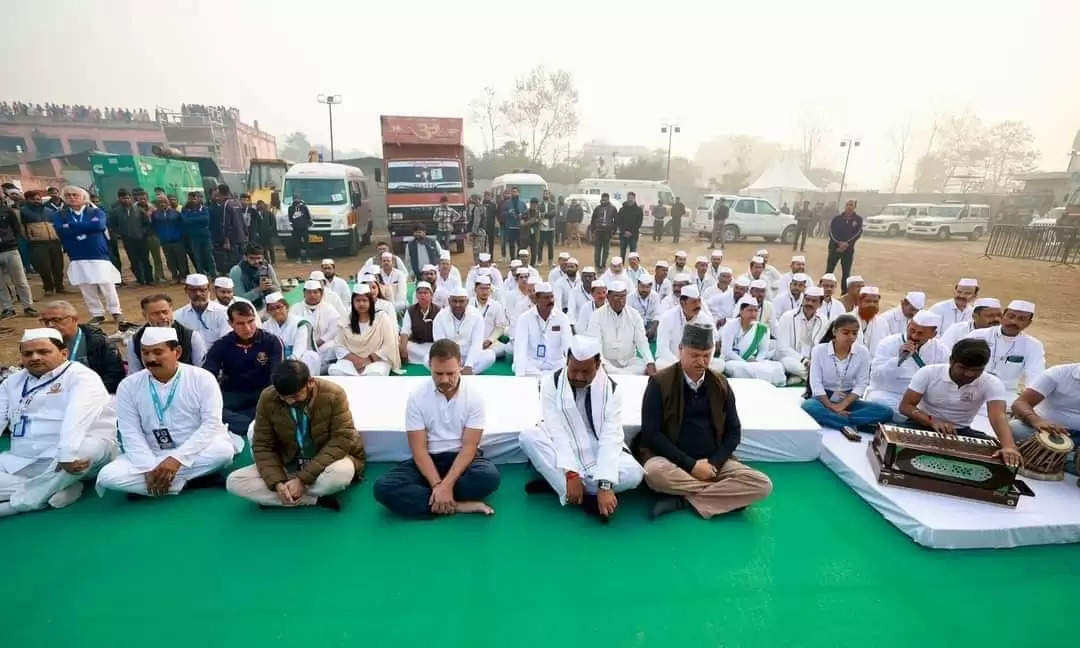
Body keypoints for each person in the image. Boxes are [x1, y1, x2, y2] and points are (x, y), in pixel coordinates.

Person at [638, 322, 773, 519]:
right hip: (673, 461)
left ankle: (685, 499)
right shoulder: (659, 382)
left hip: (712, 462)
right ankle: (724, 496)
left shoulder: (720, 384)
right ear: (680, 350)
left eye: (706, 355)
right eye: (694, 355)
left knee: (762, 485)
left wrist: (714, 464)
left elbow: (734, 431)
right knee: (654, 474)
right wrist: (691, 465)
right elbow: (652, 434)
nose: (701, 361)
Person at [96, 327, 236, 498]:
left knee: (222, 452)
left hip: (195, 450)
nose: (150, 359)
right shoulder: (128, 385)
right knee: (107, 476)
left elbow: (211, 424)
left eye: (157, 352)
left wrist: (177, 460)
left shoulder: (202, 378)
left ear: (177, 352)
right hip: (153, 452)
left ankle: (154, 486)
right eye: (145, 353)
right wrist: (147, 467)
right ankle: (190, 482)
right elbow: (130, 431)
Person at [520, 335, 644, 520]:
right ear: (567, 362)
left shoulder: (612, 390)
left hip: (596, 445)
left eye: (585, 372)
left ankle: (559, 485)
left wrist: (605, 485)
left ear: (598, 364)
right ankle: (584, 498)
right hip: (564, 443)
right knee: (528, 437)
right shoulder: (551, 384)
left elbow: (611, 437)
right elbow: (557, 432)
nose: (578, 376)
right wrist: (571, 474)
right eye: (574, 370)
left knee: (635, 474)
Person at [373, 339, 501, 517]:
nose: (444, 379)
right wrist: (437, 485)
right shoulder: (417, 396)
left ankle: (435, 500)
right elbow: (418, 449)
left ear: (460, 366)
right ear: (429, 367)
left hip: (460, 460)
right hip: (428, 460)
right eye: (438, 373)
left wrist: (446, 485)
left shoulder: (474, 397)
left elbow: (470, 447)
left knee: (489, 477)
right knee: (382, 488)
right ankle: (456, 505)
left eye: (451, 373)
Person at [0, 329, 118, 517]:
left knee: (83, 449)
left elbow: (76, 418)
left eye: (43, 351)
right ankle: (56, 490)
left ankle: (14, 506)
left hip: (71, 459)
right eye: (27, 353)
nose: (35, 357)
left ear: (64, 353)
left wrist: (67, 453)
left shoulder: (81, 376)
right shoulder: (12, 382)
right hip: (23, 459)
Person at [226, 360, 364, 510]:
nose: (290, 401)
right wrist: (276, 482)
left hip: (325, 462)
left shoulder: (334, 394)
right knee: (235, 481)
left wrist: (302, 480)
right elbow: (262, 445)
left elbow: (341, 440)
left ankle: (280, 495)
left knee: (340, 474)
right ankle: (312, 499)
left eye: (295, 395)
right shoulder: (268, 397)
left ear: (310, 382)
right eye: (284, 397)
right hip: (289, 462)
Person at [898, 339, 1023, 469]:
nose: (969, 374)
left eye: (977, 370)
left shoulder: (992, 383)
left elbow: (998, 416)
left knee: (996, 456)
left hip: (961, 433)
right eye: (963, 368)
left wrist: (1009, 446)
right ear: (951, 361)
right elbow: (906, 406)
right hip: (920, 425)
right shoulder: (928, 373)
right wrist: (932, 421)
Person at [203, 301, 284, 440]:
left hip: (264, 393)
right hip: (234, 394)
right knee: (211, 410)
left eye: (250, 321)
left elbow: (277, 375)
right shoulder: (222, 345)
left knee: (281, 405)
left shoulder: (271, 341)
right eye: (240, 323)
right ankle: (257, 425)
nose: (247, 328)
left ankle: (246, 421)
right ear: (230, 324)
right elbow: (207, 375)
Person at [801, 314, 894, 432]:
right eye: (846, 333)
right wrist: (831, 406)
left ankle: (836, 421)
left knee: (886, 412)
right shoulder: (819, 350)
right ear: (834, 332)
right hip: (823, 399)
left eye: (854, 333)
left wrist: (841, 406)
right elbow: (816, 384)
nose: (851, 337)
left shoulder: (862, 352)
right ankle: (851, 425)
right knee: (809, 406)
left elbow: (862, 384)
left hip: (848, 400)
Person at [52, 186, 124, 327]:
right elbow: (61, 231)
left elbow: (99, 226)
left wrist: (72, 225)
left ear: (83, 197)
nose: (71, 197)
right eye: (68, 195)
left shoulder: (96, 211)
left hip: (98, 254)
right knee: (86, 286)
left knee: (107, 284)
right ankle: (97, 314)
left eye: (75, 195)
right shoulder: (60, 215)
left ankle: (116, 311)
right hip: (77, 255)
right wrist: (86, 227)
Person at [866, 310, 949, 420]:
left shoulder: (941, 351)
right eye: (912, 330)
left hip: (920, 401)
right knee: (878, 403)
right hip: (889, 395)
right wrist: (898, 360)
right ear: (908, 325)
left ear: (933, 335)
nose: (914, 336)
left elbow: (943, 381)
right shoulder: (888, 343)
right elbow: (876, 378)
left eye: (920, 333)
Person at [963, 300, 1044, 403]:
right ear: (1002, 316)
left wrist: (1027, 402)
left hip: (1005, 394)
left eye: (1021, 319)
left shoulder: (1033, 346)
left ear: (1028, 323)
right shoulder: (977, 336)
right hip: (971, 387)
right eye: (1011, 316)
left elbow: (1035, 376)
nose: (1014, 322)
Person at [38, 300, 124, 392]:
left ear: (74, 319)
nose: (50, 325)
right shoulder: (39, 344)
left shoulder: (98, 342)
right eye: (45, 321)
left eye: (56, 320)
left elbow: (114, 377)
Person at [1010, 363, 1080, 476]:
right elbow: (1020, 403)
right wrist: (1037, 421)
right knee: (1015, 428)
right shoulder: (1059, 373)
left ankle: (1062, 459)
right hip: (1046, 432)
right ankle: (1068, 460)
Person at [327, 285, 400, 376]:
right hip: (352, 360)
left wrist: (368, 360)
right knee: (335, 371)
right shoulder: (346, 319)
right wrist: (355, 360)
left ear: (370, 302)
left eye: (364, 300)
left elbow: (389, 344)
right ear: (353, 302)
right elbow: (338, 345)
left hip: (377, 360)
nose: (361, 303)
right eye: (358, 300)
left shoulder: (381, 317)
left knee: (374, 374)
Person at [586, 281, 656, 376]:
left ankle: (621, 374)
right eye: (616, 296)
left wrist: (650, 362)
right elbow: (596, 344)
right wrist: (601, 363)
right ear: (608, 297)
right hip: (607, 363)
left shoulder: (634, 315)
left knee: (645, 366)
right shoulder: (597, 315)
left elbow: (642, 342)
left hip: (630, 363)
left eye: (623, 296)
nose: (620, 300)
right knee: (600, 369)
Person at [126, 294, 208, 374]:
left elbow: (202, 370)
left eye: (165, 312)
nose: (162, 317)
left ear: (171, 311)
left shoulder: (191, 337)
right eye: (155, 313)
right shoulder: (135, 341)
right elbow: (134, 373)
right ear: (145, 315)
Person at [513, 282, 572, 377]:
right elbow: (520, 347)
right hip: (533, 364)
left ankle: (543, 378)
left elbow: (568, 344)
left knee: (565, 369)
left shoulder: (562, 318)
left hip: (555, 363)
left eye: (552, 297)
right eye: (546, 298)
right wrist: (520, 377)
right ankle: (548, 379)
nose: (551, 301)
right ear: (536, 299)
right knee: (517, 365)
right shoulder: (525, 318)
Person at [720, 297, 783, 384]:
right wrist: (744, 362)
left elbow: (763, 351)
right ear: (741, 311)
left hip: (753, 361)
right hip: (732, 361)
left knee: (778, 366)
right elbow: (726, 350)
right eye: (750, 310)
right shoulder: (730, 325)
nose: (753, 314)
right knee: (744, 368)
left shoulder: (762, 328)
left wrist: (757, 361)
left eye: (756, 311)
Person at [656, 286, 720, 371]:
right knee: (660, 364)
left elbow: (712, 346)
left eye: (699, 301)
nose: (698, 305)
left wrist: (703, 362)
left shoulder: (704, 319)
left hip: (698, 363)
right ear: (682, 303)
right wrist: (681, 364)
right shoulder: (667, 317)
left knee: (719, 364)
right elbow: (662, 349)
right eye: (694, 302)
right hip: (674, 361)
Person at [432, 289, 495, 374]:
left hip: (469, 355)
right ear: (449, 301)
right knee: (427, 359)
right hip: (448, 357)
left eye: (461, 301)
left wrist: (469, 365)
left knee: (490, 355)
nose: (458, 305)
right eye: (454, 301)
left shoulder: (476, 315)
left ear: (467, 302)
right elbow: (440, 344)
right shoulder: (440, 317)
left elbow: (477, 343)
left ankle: (457, 373)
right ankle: (460, 373)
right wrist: (451, 363)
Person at [775, 287, 827, 383]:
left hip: (812, 360)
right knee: (789, 363)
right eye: (807, 299)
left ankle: (800, 378)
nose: (809, 303)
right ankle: (814, 378)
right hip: (793, 359)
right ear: (803, 300)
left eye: (814, 301)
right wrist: (804, 361)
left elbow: (822, 345)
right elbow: (782, 347)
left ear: (820, 304)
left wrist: (814, 361)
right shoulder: (788, 317)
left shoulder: (823, 320)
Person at [19, 190, 65, 296]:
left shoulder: (48, 210)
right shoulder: (23, 211)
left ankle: (60, 287)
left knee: (58, 266)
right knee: (44, 266)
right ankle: (48, 288)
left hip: (54, 241)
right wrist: (30, 238)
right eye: (33, 199)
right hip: (37, 243)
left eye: (38, 199)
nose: (37, 201)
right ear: (27, 200)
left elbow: (55, 225)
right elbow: (20, 228)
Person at [264, 292, 320, 378]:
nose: (277, 311)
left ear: (286, 307)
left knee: (309, 356)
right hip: (277, 360)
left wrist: (283, 365)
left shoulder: (300, 324)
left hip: (299, 359)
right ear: (268, 312)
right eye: (272, 309)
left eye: (279, 307)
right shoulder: (265, 326)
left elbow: (298, 352)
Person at [289, 279, 342, 366]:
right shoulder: (295, 308)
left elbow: (334, 330)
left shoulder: (329, 309)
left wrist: (319, 342)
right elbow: (291, 328)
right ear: (304, 293)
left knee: (332, 345)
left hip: (322, 346)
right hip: (301, 346)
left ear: (321, 294)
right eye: (309, 292)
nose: (312, 295)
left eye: (315, 292)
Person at [0, 194, 36, 318]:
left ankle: (28, 306)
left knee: (20, 280)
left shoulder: (7, 211)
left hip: (10, 249)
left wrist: (10, 241)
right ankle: (7, 308)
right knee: (1, 284)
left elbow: (16, 229)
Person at [174, 273, 230, 347]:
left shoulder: (223, 312)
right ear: (186, 290)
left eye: (202, 290)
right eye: (193, 290)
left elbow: (227, 340)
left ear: (209, 290)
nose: (198, 294)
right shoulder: (177, 316)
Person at [110, 188, 152, 285]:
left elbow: (147, 224)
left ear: (131, 199)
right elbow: (113, 225)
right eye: (123, 198)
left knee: (145, 259)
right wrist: (122, 233)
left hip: (141, 239)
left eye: (128, 198)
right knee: (134, 260)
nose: (126, 200)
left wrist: (142, 232)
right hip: (128, 240)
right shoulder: (115, 212)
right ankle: (140, 279)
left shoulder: (139, 210)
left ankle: (149, 279)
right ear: (119, 199)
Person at [227, 243, 279, 313]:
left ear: (263, 257)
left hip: (266, 306)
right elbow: (239, 298)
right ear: (245, 257)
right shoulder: (236, 271)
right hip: (246, 310)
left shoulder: (266, 267)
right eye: (252, 258)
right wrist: (259, 289)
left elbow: (278, 289)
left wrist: (270, 286)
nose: (256, 261)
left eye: (259, 258)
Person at [399, 281, 440, 366]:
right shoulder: (410, 310)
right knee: (399, 344)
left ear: (431, 295)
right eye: (420, 293)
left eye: (425, 293)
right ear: (416, 295)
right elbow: (405, 331)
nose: (422, 295)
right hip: (416, 346)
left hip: (433, 346)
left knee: (441, 350)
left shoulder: (439, 310)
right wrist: (403, 349)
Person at [825, 200, 863, 290]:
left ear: (854, 207)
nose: (849, 207)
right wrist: (838, 243)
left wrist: (847, 244)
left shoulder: (858, 220)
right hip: (834, 248)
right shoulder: (837, 218)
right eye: (847, 205)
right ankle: (824, 290)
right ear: (845, 206)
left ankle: (844, 293)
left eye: (851, 205)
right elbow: (831, 232)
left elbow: (858, 233)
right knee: (829, 271)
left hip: (848, 250)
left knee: (846, 273)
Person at [150, 195, 188, 283]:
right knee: (170, 260)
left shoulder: (176, 213)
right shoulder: (155, 214)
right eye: (161, 203)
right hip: (165, 241)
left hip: (177, 240)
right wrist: (159, 236)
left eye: (164, 202)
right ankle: (174, 276)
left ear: (168, 203)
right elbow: (154, 226)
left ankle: (183, 276)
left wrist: (180, 236)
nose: (163, 204)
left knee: (181, 259)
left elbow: (182, 225)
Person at [471, 276, 510, 359]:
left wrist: (490, 340)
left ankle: (478, 355)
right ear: (475, 289)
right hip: (471, 342)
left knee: (505, 349)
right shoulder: (468, 304)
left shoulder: (496, 305)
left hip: (489, 344)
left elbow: (500, 327)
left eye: (487, 289)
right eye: (481, 289)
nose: (485, 292)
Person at [135, 189, 167, 283]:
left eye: (144, 199)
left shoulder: (153, 208)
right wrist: (148, 214)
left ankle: (159, 276)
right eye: (140, 199)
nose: (142, 200)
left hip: (153, 235)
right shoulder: (134, 209)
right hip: (140, 237)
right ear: (137, 199)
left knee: (157, 258)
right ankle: (146, 278)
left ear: (147, 198)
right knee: (144, 258)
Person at [180, 191, 215, 276]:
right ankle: (201, 274)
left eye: (195, 198)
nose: (193, 200)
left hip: (205, 235)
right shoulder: (185, 209)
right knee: (197, 257)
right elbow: (185, 221)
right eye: (191, 199)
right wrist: (198, 218)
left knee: (209, 255)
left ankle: (213, 274)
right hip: (193, 237)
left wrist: (192, 218)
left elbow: (206, 220)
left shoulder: (204, 208)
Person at [850, 286, 890, 356]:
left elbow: (886, 347)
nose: (872, 305)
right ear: (859, 302)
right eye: (868, 301)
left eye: (875, 302)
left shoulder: (882, 323)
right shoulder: (846, 319)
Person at [590, 192, 617, 268]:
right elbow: (593, 219)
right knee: (597, 249)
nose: (604, 200)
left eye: (605, 199)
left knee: (606, 250)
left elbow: (616, 220)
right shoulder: (597, 208)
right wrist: (592, 229)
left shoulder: (613, 209)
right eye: (603, 199)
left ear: (608, 199)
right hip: (598, 231)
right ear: (601, 199)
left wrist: (614, 230)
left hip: (607, 232)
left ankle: (603, 263)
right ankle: (597, 264)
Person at [631, 275, 661, 341]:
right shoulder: (630, 297)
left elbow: (657, 314)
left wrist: (653, 328)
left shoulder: (655, 296)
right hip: (635, 324)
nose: (644, 290)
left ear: (651, 286)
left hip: (650, 324)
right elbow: (629, 317)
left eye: (647, 287)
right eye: (642, 287)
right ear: (638, 285)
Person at [617, 191, 643, 258]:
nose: (630, 199)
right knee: (622, 252)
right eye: (629, 198)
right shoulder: (622, 209)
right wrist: (624, 231)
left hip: (633, 235)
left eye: (631, 198)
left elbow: (639, 223)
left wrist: (631, 232)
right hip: (623, 235)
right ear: (627, 198)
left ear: (634, 199)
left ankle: (632, 267)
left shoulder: (639, 210)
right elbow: (619, 222)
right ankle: (621, 267)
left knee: (633, 254)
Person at [251, 199, 277, 265]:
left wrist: (270, 231)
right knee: (264, 249)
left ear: (264, 205)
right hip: (261, 235)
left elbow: (273, 224)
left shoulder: (269, 214)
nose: (260, 206)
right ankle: (267, 262)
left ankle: (273, 262)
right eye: (258, 205)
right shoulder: (256, 215)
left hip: (269, 235)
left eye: (261, 205)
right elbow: (255, 224)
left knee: (271, 248)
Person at [287, 192, 311, 263]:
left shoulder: (304, 206)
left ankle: (308, 258)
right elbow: (290, 218)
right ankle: (298, 258)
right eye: (295, 198)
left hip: (304, 227)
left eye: (298, 197)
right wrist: (293, 224)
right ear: (293, 199)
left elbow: (308, 216)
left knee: (307, 243)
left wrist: (308, 224)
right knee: (297, 244)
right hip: (296, 228)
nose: (296, 199)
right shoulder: (291, 208)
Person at [537, 191, 556, 264]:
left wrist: (543, 215)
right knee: (540, 245)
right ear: (543, 195)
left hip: (550, 228)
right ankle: (539, 261)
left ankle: (550, 261)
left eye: (547, 194)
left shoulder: (553, 205)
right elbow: (538, 214)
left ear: (549, 195)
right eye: (544, 194)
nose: (546, 195)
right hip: (541, 228)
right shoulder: (539, 205)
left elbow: (553, 214)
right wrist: (545, 214)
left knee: (550, 246)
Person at [482, 191, 499, 256]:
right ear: (484, 196)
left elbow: (496, 215)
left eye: (489, 195)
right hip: (483, 226)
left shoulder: (493, 205)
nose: (487, 197)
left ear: (491, 197)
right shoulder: (481, 204)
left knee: (491, 242)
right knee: (483, 243)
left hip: (491, 226)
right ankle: (483, 257)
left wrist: (497, 225)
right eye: (486, 195)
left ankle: (491, 256)